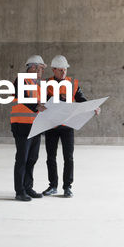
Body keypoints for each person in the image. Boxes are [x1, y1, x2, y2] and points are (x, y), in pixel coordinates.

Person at [40, 54, 94, 198]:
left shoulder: (72, 83)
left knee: (68, 157)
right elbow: (42, 103)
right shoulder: (45, 84)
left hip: (67, 126)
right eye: (60, 70)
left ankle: (67, 187)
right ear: (53, 70)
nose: (63, 72)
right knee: (51, 157)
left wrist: (93, 107)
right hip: (51, 126)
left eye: (65, 69)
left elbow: (82, 100)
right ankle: (53, 186)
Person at [11, 55, 47, 201]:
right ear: (32, 67)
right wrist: (37, 106)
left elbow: (41, 104)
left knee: (32, 158)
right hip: (21, 125)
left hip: (35, 126)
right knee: (22, 159)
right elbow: (24, 97)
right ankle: (19, 191)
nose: (42, 71)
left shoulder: (37, 84)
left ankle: (28, 187)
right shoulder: (21, 80)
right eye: (40, 68)